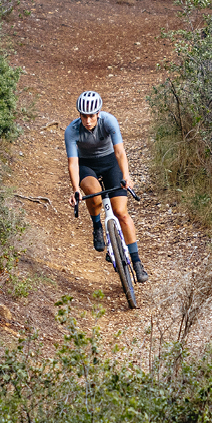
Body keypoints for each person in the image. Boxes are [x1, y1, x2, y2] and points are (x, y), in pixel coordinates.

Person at [65, 90, 147, 283]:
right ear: (79, 115)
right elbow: (73, 163)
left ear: (98, 113)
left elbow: (119, 152)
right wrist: (76, 188)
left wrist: (126, 176)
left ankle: (136, 261)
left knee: (121, 212)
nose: (87, 120)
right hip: (86, 165)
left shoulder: (109, 121)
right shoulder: (72, 130)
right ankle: (97, 226)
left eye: (91, 115)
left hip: (110, 163)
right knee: (93, 194)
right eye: (83, 116)